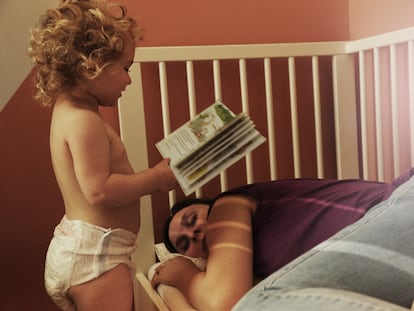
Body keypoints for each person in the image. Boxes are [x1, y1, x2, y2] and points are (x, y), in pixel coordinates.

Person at [28, 1, 177, 310]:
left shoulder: (71, 110)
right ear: (91, 65)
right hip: (97, 257)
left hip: (86, 249)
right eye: (125, 68)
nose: (129, 80)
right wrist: (156, 178)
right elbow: (98, 190)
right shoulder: (83, 121)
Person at [150, 171, 414, 311]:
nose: (194, 232)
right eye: (186, 243)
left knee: (253, 306)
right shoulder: (259, 269)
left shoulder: (229, 203)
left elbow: (226, 302)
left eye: (191, 219)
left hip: (397, 210)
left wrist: (183, 275)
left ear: (209, 203)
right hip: (389, 253)